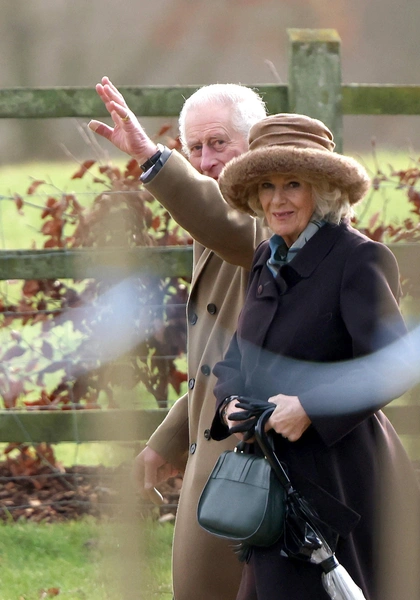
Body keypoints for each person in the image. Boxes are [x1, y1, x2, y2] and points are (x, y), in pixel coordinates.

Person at [210, 114, 420, 600]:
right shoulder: (266, 257)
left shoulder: (358, 259)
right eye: (266, 185)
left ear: (322, 191)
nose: (276, 199)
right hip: (272, 477)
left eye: (292, 184)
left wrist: (309, 407)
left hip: (343, 477)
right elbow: (238, 356)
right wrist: (228, 402)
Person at [88, 77, 270, 600]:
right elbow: (221, 354)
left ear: (255, 144)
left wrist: (152, 159)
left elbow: (234, 229)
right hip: (223, 444)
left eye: (219, 143)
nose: (206, 160)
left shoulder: (273, 215)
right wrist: (168, 441)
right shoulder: (221, 216)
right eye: (195, 147)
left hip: (262, 452)